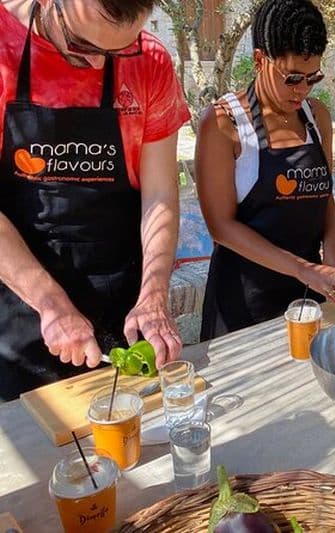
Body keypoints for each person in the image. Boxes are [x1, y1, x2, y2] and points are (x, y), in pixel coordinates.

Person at [0, 0, 189, 400]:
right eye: (84, 47)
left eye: (123, 49)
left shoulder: (151, 61)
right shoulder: (4, 48)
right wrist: (50, 303)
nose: (103, 66)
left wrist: (153, 294)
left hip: (120, 298)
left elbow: (159, 196)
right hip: (20, 302)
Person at [196, 0, 335, 340]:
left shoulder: (317, 116)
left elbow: (323, 194)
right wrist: (303, 269)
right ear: (258, 60)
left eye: (313, 78)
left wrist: (333, 250)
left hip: (308, 298)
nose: (303, 90)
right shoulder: (224, 124)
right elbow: (220, 227)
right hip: (244, 304)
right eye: (293, 78)